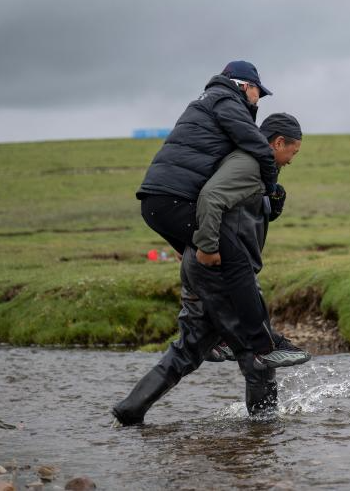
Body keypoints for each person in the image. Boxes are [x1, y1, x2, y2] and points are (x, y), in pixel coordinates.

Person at [112, 113, 308, 426]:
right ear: (278, 142)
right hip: (221, 269)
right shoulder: (248, 163)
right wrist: (207, 247)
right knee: (257, 350)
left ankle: (129, 411)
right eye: (292, 152)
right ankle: (265, 429)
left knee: (188, 350)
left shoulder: (247, 166)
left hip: (204, 265)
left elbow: (235, 211)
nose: (292, 160)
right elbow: (212, 199)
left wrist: (270, 204)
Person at [135, 60, 279, 257]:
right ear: (246, 86)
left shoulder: (203, 103)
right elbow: (261, 149)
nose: (258, 99)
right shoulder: (227, 102)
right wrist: (269, 191)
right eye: (258, 92)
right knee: (237, 256)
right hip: (175, 201)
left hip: (154, 201)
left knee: (206, 266)